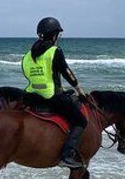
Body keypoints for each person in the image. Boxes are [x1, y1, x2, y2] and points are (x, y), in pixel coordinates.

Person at [21, 16, 88, 169]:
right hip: (51, 97)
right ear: (54, 35)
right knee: (81, 121)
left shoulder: (27, 56)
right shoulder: (54, 51)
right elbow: (66, 72)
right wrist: (79, 89)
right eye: (58, 34)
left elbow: (30, 74)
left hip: (31, 97)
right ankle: (67, 155)